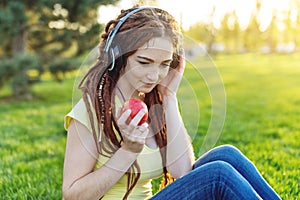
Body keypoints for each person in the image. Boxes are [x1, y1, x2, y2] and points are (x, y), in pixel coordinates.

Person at [62, 5, 281, 200]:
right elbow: (72, 195)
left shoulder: (149, 101)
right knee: (218, 175)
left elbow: (183, 172)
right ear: (118, 54)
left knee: (226, 154)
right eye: (144, 62)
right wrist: (128, 151)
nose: (154, 75)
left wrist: (169, 96)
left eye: (164, 64)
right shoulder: (91, 111)